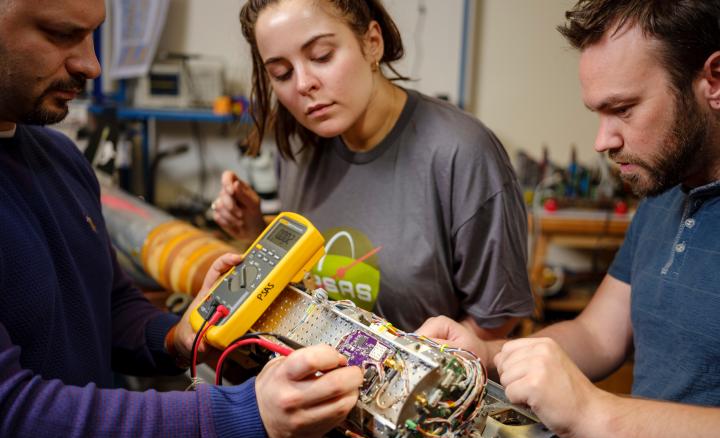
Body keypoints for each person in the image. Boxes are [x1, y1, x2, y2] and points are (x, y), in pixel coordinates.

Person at [0, 0, 363, 438]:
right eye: (62, 34)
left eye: (93, 36)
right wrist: (244, 416)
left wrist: (176, 337)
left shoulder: (58, 155)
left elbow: (109, 303)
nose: (91, 64)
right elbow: (13, 418)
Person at [418, 0, 720, 438]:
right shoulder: (664, 193)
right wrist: (488, 355)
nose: (602, 140)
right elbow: (598, 336)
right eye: (598, 113)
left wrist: (592, 412)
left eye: (622, 109)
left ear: (714, 79)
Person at [212, 0, 533, 339]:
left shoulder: (463, 153)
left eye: (321, 56)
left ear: (372, 43)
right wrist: (255, 232)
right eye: (282, 73)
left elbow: (495, 320)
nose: (303, 83)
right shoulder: (297, 146)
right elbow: (304, 283)